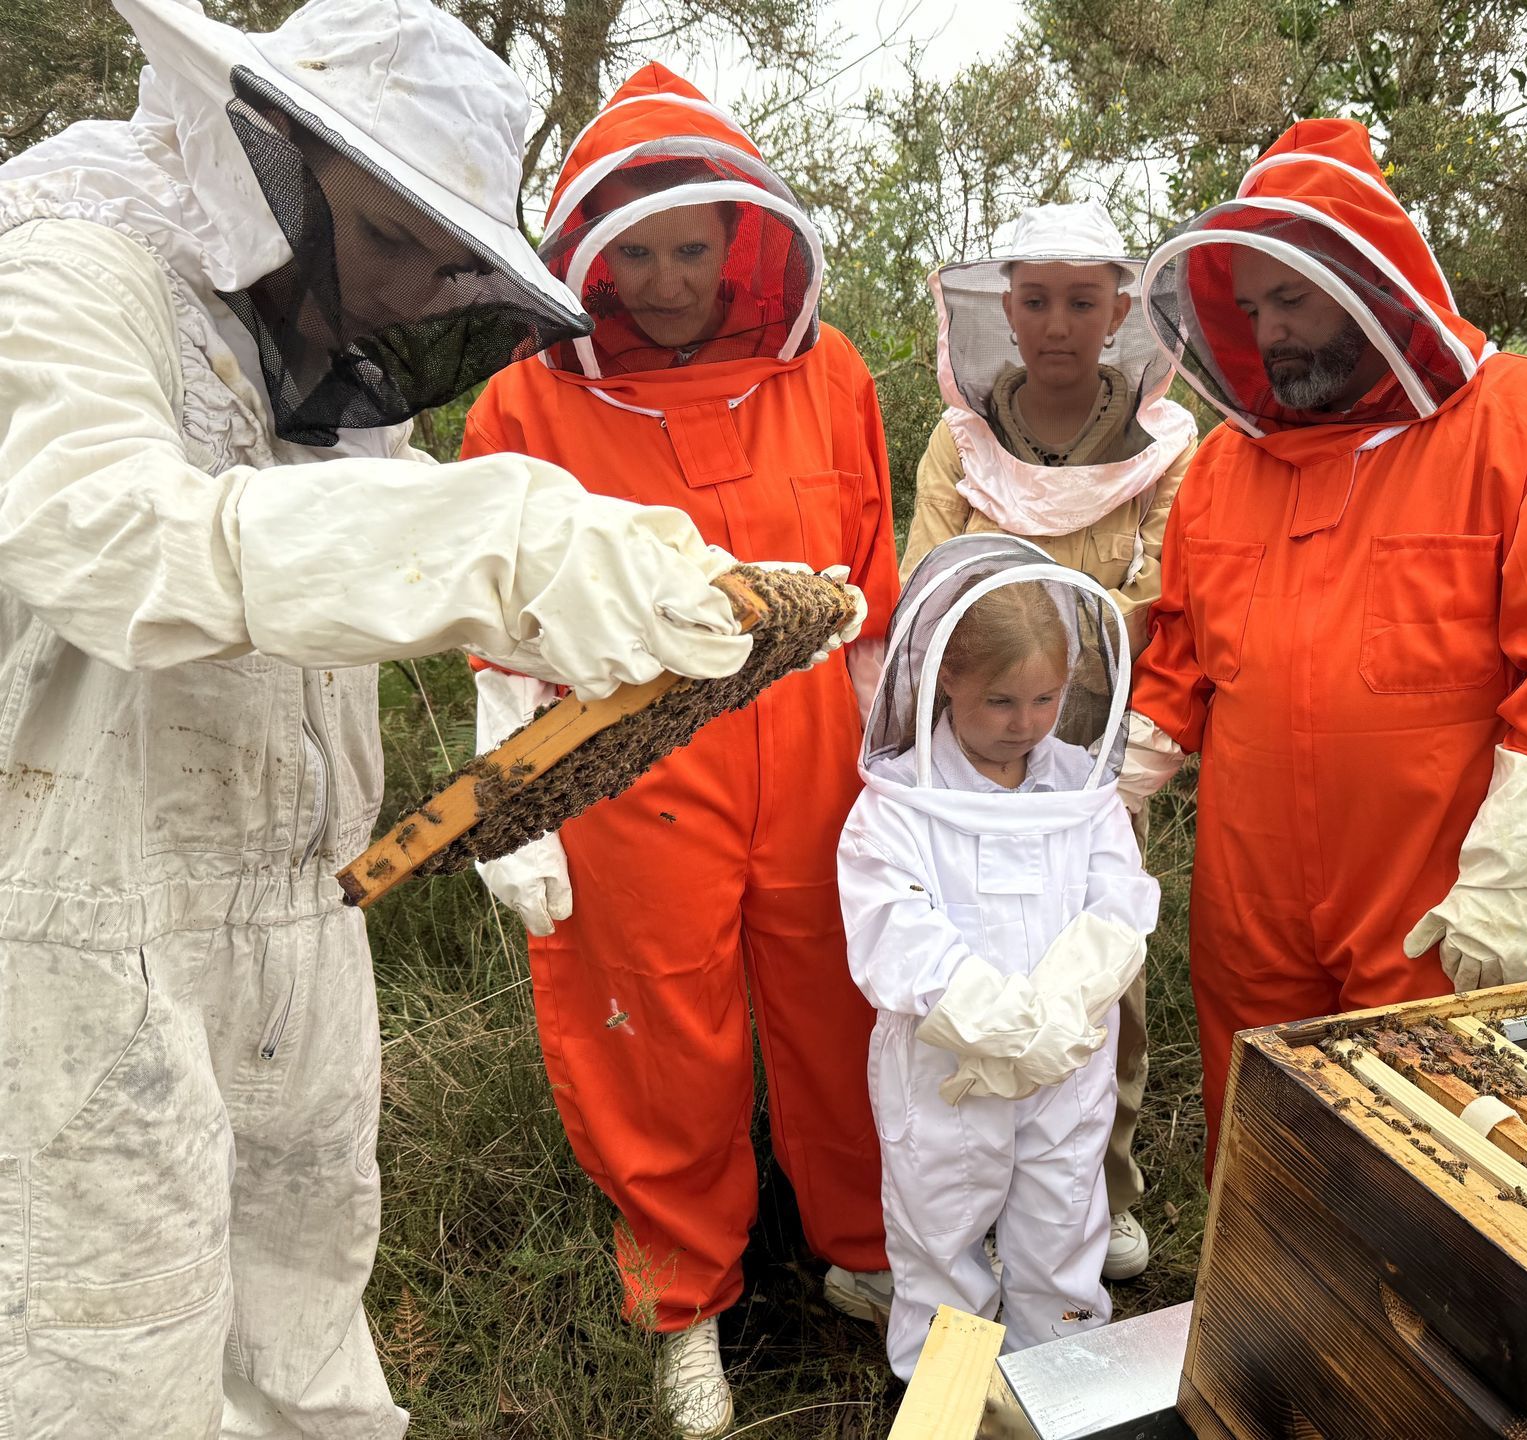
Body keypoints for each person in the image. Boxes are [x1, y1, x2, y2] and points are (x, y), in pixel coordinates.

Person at [0, 0, 864, 1434]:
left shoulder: (326, 364)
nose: (415, 291)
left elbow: (332, 601)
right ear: (265, 159)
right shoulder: (70, 272)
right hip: (77, 936)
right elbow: (107, 539)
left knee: (302, 1347)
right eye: (391, 237)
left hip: (299, 912)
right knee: (108, 1361)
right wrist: (503, 543)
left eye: (445, 255)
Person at [460, 64, 897, 1437]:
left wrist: (904, 758)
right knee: (655, 1028)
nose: (663, 281)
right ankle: (686, 1305)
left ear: (744, 242)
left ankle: (867, 1252)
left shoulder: (827, 373)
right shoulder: (524, 403)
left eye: (690, 251)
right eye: (634, 254)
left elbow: (870, 573)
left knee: (846, 1002)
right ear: (584, 255)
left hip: (818, 754)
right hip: (633, 771)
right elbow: (498, 618)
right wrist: (509, 802)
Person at [1119, 118, 1527, 1164]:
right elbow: (1178, 654)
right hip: (1248, 892)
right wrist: (1100, 795)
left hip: (1433, 896)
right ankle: (1262, 1323)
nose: (1270, 333)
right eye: (1254, 307)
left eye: (1293, 298)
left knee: (1433, 1166)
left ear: (1369, 279)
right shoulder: (1229, 466)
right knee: (1265, 1147)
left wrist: (1508, 877)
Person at [903, 201, 1196, 1279]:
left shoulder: (1168, 442)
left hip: (1104, 758)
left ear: (1122, 310)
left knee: (1099, 964)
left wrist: (1114, 735)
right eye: (1037, 300)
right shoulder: (961, 436)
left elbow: (1170, 596)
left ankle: (1100, 1186)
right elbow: (925, 589)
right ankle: (970, 1195)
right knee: (966, 950)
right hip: (971, 751)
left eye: (1083, 301)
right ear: (1006, 309)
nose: (1059, 323)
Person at [841, 537, 1161, 1378]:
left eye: (1046, 699)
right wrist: (1003, 1023)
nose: (1025, 723)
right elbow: (892, 930)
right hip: (945, 1075)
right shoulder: (898, 806)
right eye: (1001, 701)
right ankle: (948, 1399)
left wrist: (1059, 1010)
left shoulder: (1079, 790)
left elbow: (1119, 901)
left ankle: (1056, 1390)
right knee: (940, 1235)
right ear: (945, 677)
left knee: (1062, 1224)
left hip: (1068, 1060)